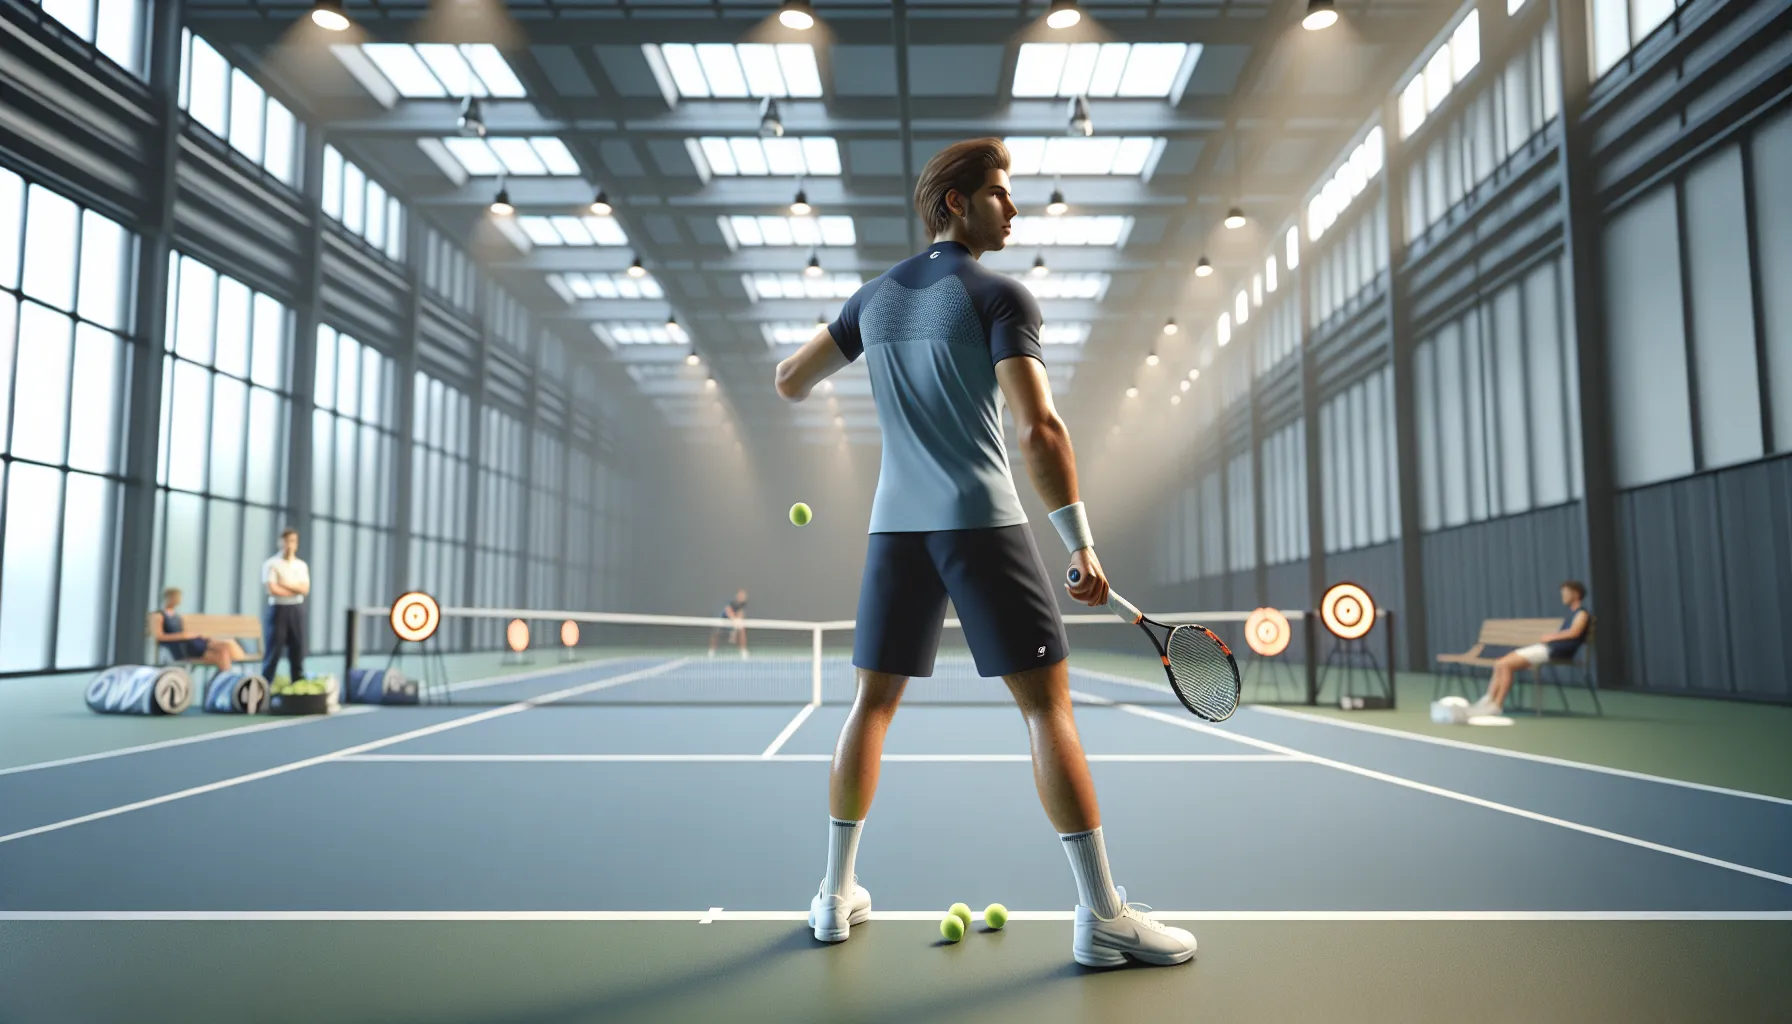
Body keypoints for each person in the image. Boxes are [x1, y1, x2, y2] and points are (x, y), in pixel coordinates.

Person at [772, 138, 1195, 968]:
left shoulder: (872, 301)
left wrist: (862, 344)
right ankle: (1103, 914)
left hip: (895, 530)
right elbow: (1041, 429)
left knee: (870, 707)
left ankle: (833, 896)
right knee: (1046, 710)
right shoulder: (998, 296)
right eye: (1000, 193)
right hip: (979, 521)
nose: (1013, 207)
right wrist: (1080, 542)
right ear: (955, 203)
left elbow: (789, 379)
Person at [1471, 580, 1591, 716]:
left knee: (1505, 665)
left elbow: (1574, 632)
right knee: (1499, 663)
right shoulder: (1570, 613)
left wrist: (1551, 636)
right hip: (1545, 648)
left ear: (1576, 594)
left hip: (1555, 651)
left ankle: (1497, 705)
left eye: (1566, 593)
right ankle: (1488, 700)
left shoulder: (1582, 614)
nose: (1563, 596)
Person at [152, 588, 248, 673]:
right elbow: (159, 637)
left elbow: (183, 632)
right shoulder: (159, 615)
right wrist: (183, 636)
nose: (179, 600)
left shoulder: (177, 616)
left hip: (191, 643)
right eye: (176, 597)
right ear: (169, 598)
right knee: (224, 648)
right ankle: (230, 672)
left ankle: (225, 677)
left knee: (222, 653)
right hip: (182, 648)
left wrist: (191, 635)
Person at [262, 527, 311, 682]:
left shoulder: (301, 565)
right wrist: (294, 589)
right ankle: (266, 685)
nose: (289, 545)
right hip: (278, 610)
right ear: (280, 542)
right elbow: (272, 589)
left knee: (297, 649)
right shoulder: (271, 564)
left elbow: (304, 589)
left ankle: (297, 684)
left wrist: (283, 583)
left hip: (296, 609)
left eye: (293, 541)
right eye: (286, 541)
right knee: (274, 650)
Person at [708, 589, 750, 659]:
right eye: (740, 595)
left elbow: (740, 615)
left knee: (742, 630)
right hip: (723, 621)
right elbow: (728, 610)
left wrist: (734, 630)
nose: (742, 597)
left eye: (743, 596)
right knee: (715, 633)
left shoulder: (742, 606)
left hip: (733, 623)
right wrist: (734, 620)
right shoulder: (732, 603)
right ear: (737, 596)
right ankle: (711, 651)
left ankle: (743, 651)